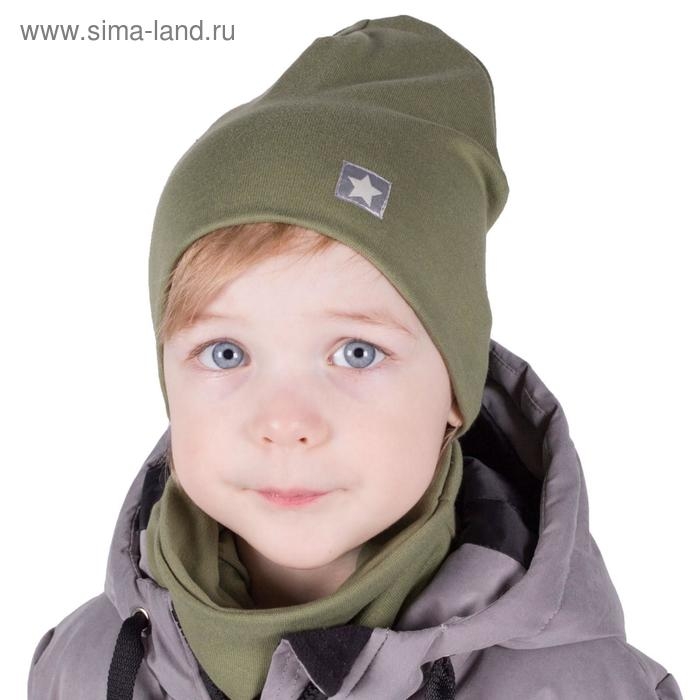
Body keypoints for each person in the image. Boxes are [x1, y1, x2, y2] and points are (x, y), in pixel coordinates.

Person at [27, 14, 683, 700]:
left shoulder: (588, 688)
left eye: (357, 352)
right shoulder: (81, 667)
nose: (284, 422)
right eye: (226, 352)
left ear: (456, 390)